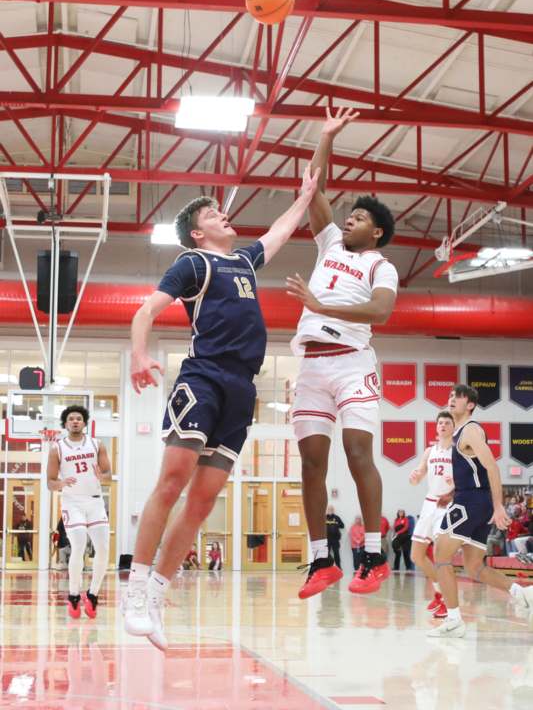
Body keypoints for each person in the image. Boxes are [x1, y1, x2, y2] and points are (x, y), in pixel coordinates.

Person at [122, 165, 320, 651]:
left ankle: (157, 596)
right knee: (174, 480)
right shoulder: (193, 263)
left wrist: (306, 196)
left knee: (205, 499)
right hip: (204, 376)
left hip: (242, 389)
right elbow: (146, 310)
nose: (224, 215)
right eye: (213, 213)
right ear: (197, 230)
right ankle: (134, 588)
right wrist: (140, 354)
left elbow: (279, 231)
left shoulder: (246, 263)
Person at [287, 107, 398, 600]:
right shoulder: (329, 242)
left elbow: (379, 313)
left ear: (374, 232)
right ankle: (321, 561)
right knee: (311, 461)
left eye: (359, 218)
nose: (348, 218)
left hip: (353, 364)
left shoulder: (381, 264)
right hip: (312, 365)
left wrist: (320, 304)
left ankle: (373, 555)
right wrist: (326, 136)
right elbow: (314, 185)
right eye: (348, 214)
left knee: (357, 453)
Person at [429, 384, 533, 638]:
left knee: (440, 553)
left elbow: (492, 468)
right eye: (451, 395)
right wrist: (450, 495)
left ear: (471, 404)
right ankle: (522, 592)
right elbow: (473, 475)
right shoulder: (459, 433)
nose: (452, 399)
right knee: (474, 566)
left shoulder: (470, 431)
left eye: (459, 396)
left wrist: (498, 506)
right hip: (472, 500)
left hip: (472, 503)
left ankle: (453, 619)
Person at [47, 405, 111, 620]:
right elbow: (49, 482)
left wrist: (103, 477)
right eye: (71, 419)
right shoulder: (57, 448)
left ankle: (92, 594)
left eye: (79, 418)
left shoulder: (97, 444)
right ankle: (74, 595)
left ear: (85, 423)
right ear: (65, 424)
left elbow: (109, 475)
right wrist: (61, 482)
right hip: (72, 502)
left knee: (103, 549)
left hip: (95, 502)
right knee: (79, 545)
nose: (75, 421)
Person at [409, 410, 454, 619]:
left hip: (447, 505)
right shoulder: (429, 451)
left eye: (447, 422)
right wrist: (415, 476)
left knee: (440, 556)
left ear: (453, 427)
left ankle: (449, 603)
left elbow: (466, 481)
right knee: (416, 555)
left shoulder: (457, 452)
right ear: (436, 427)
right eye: (440, 423)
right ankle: (440, 593)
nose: (443, 425)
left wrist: (452, 492)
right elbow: (418, 476)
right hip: (429, 503)